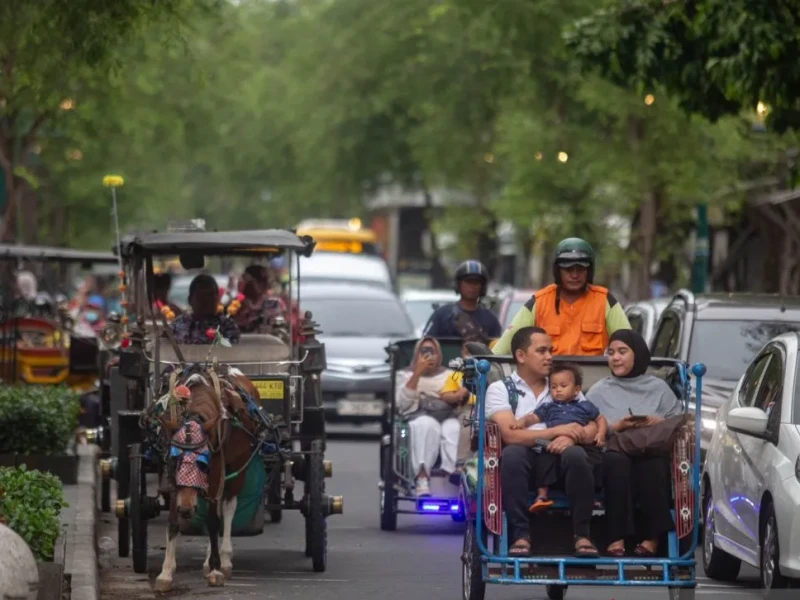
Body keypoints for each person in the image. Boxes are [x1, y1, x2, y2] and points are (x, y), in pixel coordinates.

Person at [486, 326, 600, 558]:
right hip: (526, 460)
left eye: (550, 350)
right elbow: (510, 435)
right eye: (541, 351)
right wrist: (558, 431)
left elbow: (590, 422)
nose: (550, 356)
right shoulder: (500, 389)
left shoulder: (562, 384)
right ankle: (520, 534)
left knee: (577, 455)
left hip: (562, 459)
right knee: (513, 454)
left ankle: (582, 535)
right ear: (520, 356)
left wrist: (570, 436)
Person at [586, 329, 682, 557]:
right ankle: (615, 537)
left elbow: (676, 423)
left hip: (649, 448)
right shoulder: (599, 390)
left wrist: (657, 421)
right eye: (611, 353)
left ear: (637, 354)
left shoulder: (659, 388)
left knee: (653, 464)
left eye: (622, 352)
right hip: (612, 449)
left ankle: (651, 538)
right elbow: (587, 427)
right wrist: (616, 426)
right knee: (615, 462)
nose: (615, 358)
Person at [493, 238, 631, 356]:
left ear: (589, 272)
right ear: (557, 271)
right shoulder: (539, 301)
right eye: (568, 269)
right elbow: (502, 349)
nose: (574, 275)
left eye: (580, 269)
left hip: (592, 384)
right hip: (547, 384)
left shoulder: (605, 300)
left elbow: (629, 346)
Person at [510, 362, 607, 513]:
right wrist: (522, 422)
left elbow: (600, 419)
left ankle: (591, 496)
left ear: (576, 390)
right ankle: (542, 496)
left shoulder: (584, 405)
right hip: (552, 442)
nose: (558, 390)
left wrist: (600, 434)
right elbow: (534, 417)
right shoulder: (549, 407)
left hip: (580, 444)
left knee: (594, 459)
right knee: (543, 455)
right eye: (553, 387)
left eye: (563, 386)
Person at [395, 337, 471, 496]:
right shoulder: (404, 375)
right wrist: (417, 373)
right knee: (427, 425)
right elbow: (402, 405)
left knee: (454, 429)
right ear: (416, 355)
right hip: (418, 416)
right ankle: (422, 478)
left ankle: (454, 479)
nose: (428, 355)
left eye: (432, 351)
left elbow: (461, 399)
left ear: (439, 355)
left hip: (448, 415)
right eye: (424, 351)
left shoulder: (452, 375)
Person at [423, 260, 502, 344]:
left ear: (482, 287)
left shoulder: (490, 319)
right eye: (468, 282)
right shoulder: (441, 316)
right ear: (458, 284)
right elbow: (425, 344)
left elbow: (498, 350)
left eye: (476, 282)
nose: (472, 286)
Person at [169, 274, 240, 344]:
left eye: (210, 297)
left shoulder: (227, 325)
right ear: (190, 300)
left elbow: (230, 349)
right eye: (201, 298)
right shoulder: (178, 324)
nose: (206, 302)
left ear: (217, 299)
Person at [233, 265, 287, 334]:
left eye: (246, 280)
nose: (242, 284)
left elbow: (279, 330)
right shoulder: (237, 303)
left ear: (260, 283)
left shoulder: (274, 303)